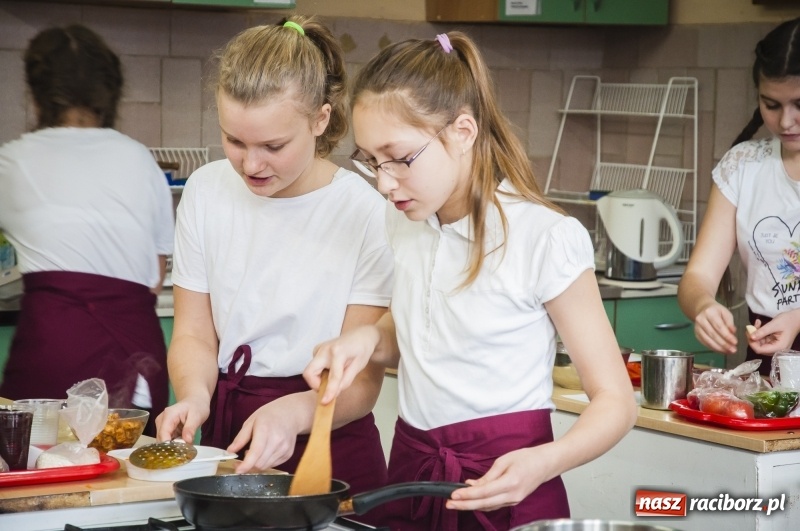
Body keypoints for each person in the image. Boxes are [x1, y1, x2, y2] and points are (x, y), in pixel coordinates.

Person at [303, 31, 637, 530]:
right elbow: (426, 332)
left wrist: (544, 462)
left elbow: (616, 402)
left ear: (463, 131)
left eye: (400, 158)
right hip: (412, 477)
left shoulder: (544, 236)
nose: (385, 182)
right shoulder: (406, 220)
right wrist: (368, 338)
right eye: (372, 161)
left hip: (508, 488)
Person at [154, 17, 393, 496]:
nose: (251, 164)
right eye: (235, 141)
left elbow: (363, 382)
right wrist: (195, 396)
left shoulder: (366, 211)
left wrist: (293, 413)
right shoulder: (206, 191)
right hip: (229, 439)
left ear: (320, 120)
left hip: (327, 443)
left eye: (273, 146)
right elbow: (195, 333)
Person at [0, 24, 173, 436]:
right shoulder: (141, 160)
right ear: (109, 92)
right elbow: (155, 276)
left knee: (38, 467)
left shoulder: (13, 163)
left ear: (37, 94)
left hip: (51, 353)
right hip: (134, 361)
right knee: (125, 471)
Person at [678, 17, 800, 376]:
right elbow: (698, 275)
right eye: (771, 104)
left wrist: (797, 319)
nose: (786, 122)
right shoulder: (743, 166)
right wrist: (703, 306)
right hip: (768, 365)